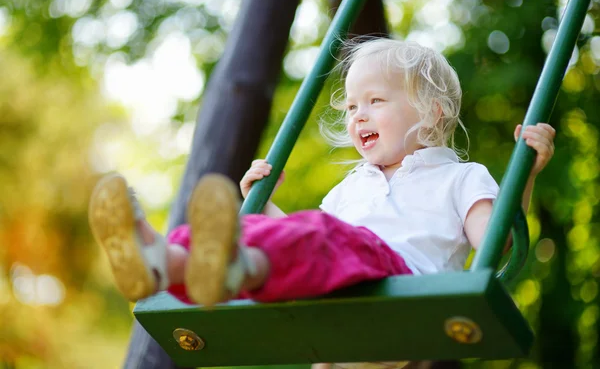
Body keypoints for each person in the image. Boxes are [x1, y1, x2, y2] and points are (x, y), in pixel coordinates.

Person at [88, 38, 555, 369]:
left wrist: (524, 176)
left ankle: (230, 264)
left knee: (318, 235)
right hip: (341, 293)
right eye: (351, 107)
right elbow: (308, 250)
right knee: (252, 228)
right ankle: (164, 261)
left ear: (432, 112)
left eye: (375, 100)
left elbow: (497, 244)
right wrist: (261, 207)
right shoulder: (350, 189)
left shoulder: (460, 177)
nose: (358, 115)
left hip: (402, 292)